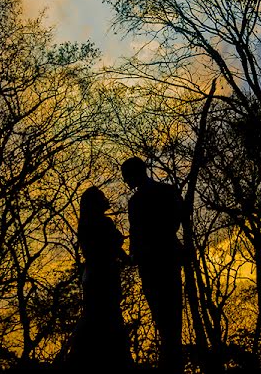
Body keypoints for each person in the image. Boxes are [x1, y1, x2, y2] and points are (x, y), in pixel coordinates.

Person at [121, 156, 184, 373]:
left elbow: (138, 231)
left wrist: (136, 253)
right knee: (168, 313)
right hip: (160, 256)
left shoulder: (144, 198)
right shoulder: (164, 192)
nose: (125, 181)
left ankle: (171, 362)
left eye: (126, 176)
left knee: (166, 312)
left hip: (157, 258)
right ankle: (171, 360)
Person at [66, 186, 132, 370]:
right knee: (106, 316)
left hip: (91, 274)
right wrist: (127, 258)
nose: (106, 200)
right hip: (103, 274)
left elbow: (114, 247)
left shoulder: (85, 224)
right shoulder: (104, 223)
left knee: (94, 315)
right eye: (102, 197)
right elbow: (115, 244)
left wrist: (125, 257)